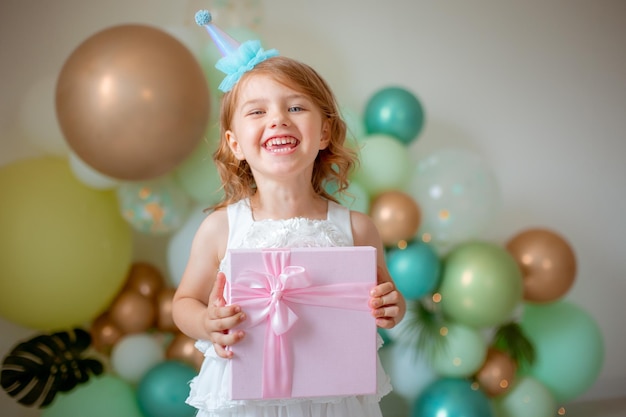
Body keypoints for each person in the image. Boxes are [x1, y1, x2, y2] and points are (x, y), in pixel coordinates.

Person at [172, 10, 406, 417]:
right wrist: (207, 322)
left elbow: (386, 299)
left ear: (325, 132)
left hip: (334, 398)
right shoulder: (221, 228)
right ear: (235, 144)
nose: (277, 118)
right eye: (257, 111)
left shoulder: (356, 228)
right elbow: (184, 302)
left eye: (296, 107)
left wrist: (391, 306)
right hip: (246, 399)